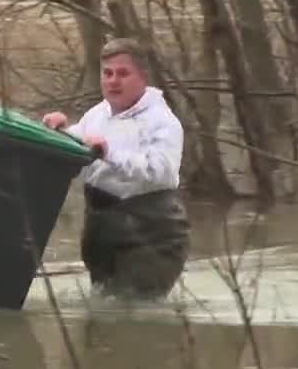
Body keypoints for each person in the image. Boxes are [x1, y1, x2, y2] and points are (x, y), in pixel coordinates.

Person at [42, 38, 190, 299]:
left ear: (142, 77)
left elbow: (162, 172)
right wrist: (59, 132)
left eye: (123, 74)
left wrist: (109, 153)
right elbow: (78, 152)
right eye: (107, 73)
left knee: (134, 318)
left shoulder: (163, 122)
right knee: (102, 318)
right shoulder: (97, 115)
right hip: (101, 233)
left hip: (152, 235)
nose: (113, 81)